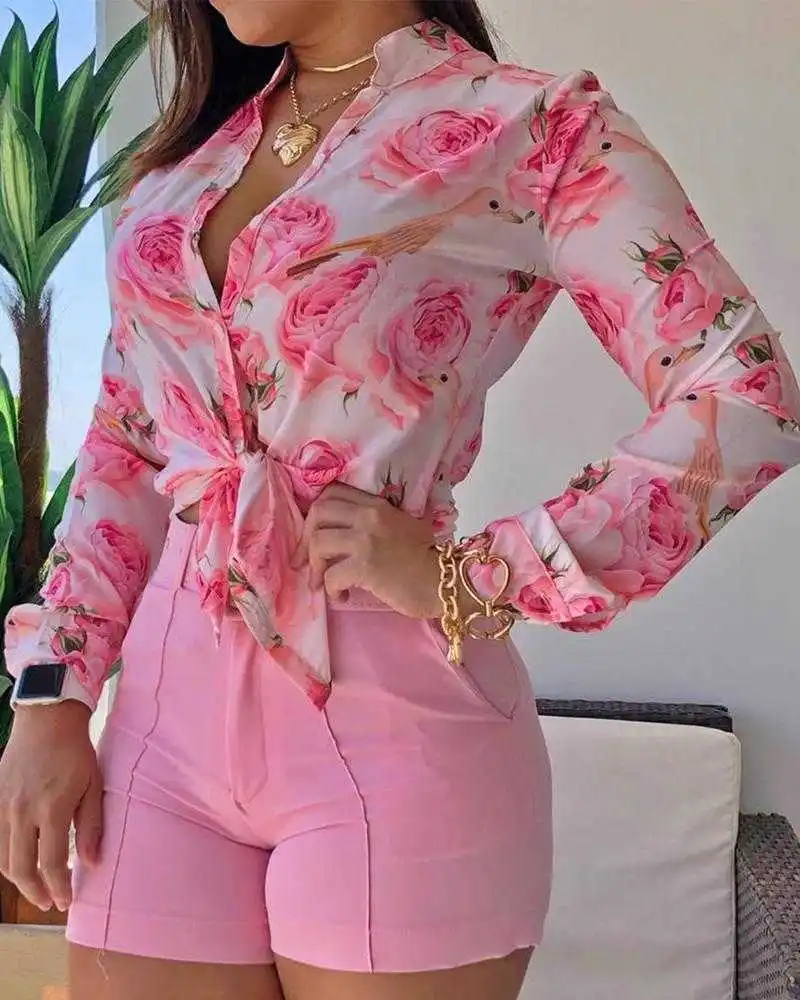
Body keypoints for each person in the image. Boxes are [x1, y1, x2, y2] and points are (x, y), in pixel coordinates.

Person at [1, 1, 799, 998]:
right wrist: (53, 693)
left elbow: (745, 394)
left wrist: (484, 575)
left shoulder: (530, 127)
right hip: (162, 733)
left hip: (395, 731)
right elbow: (127, 443)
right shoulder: (185, 163)